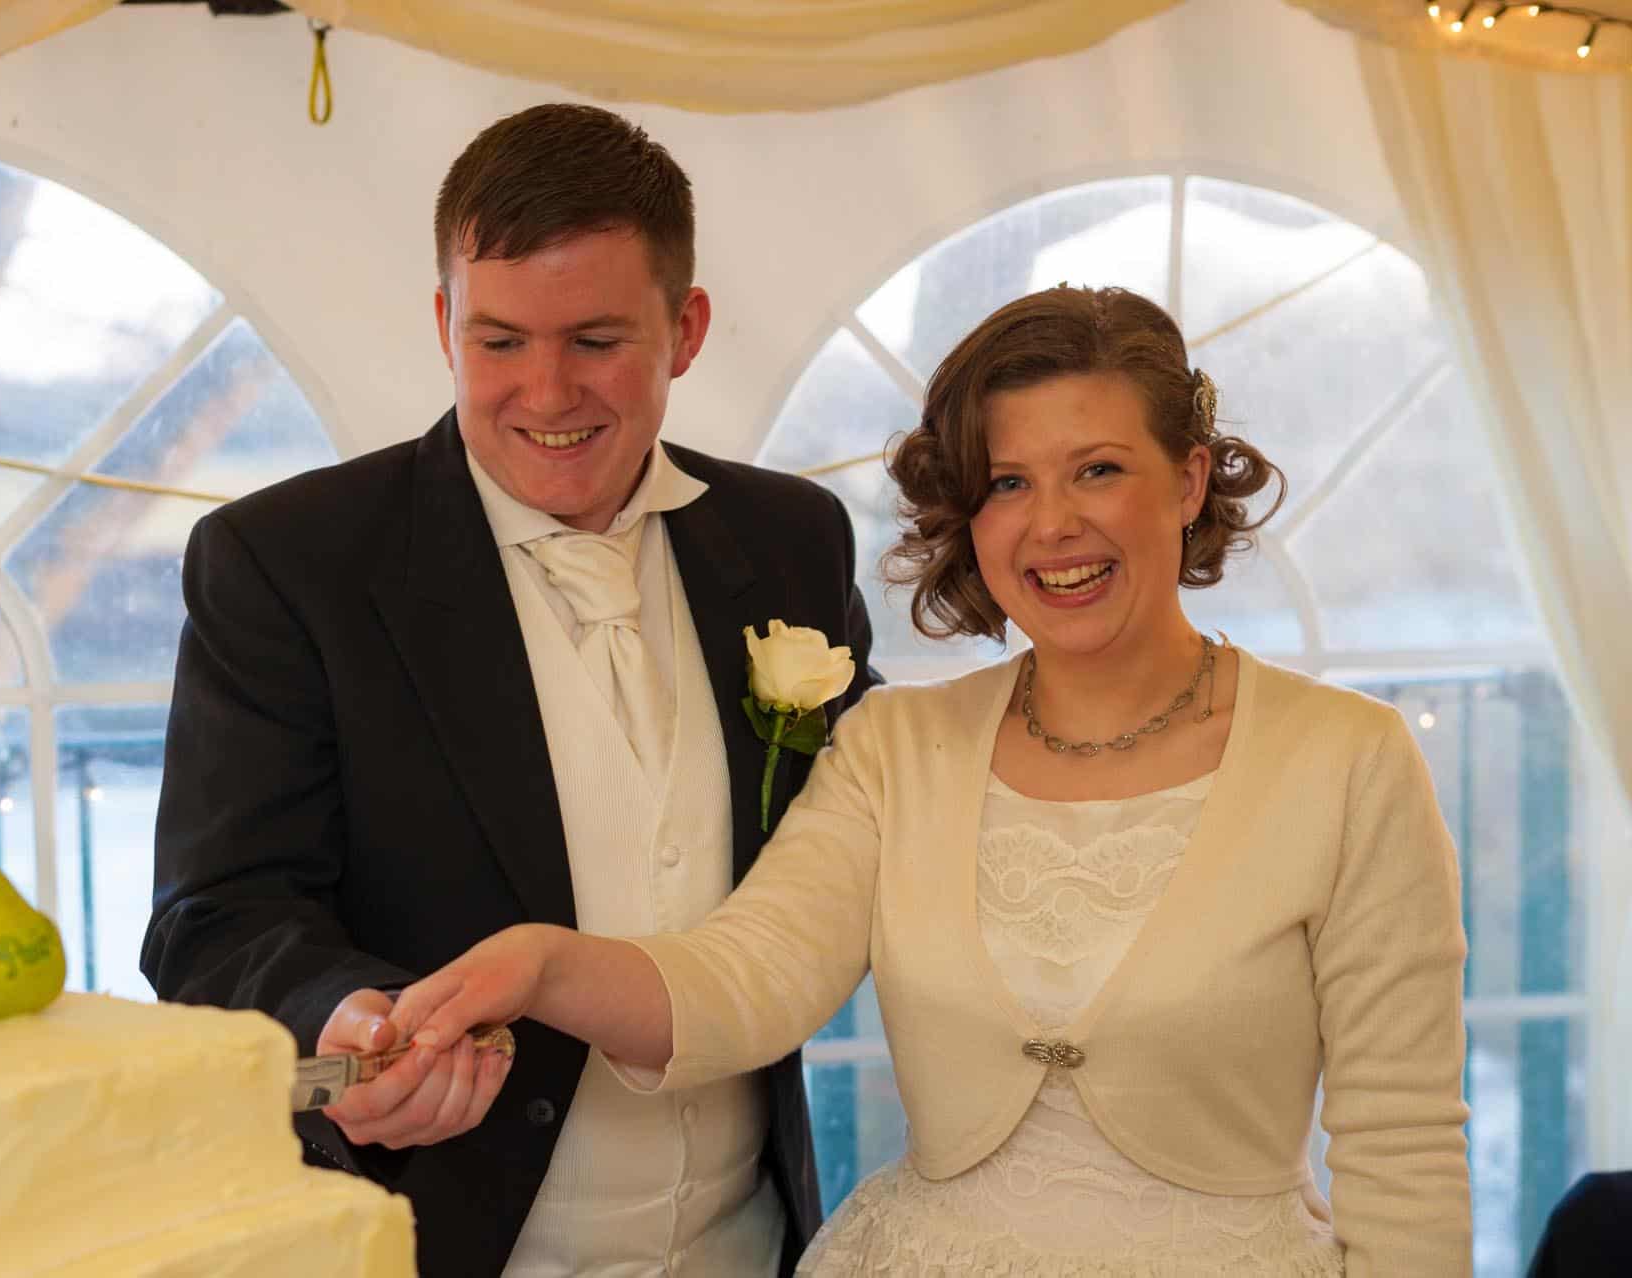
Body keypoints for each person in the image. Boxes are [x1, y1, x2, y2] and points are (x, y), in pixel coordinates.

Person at [390, 285, 1474, 1275]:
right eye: (1007, 483)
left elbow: (1406, 1142)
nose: (1053, 524)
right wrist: (540, 967)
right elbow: (745, 979)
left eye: (1099, 468)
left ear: (1188, 478)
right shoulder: (895, 748)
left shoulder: (1350, 760)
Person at [140, 103, 877, 1278]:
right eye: (498, 342)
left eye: (595, 340)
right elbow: (214, 919)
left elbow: (864, 836)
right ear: (443, 324)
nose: (545, 392)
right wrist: (343, 1020)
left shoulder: (792, 540)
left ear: (684, 330)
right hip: (444, 1244)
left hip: (753, 1241)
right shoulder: (290, 563)